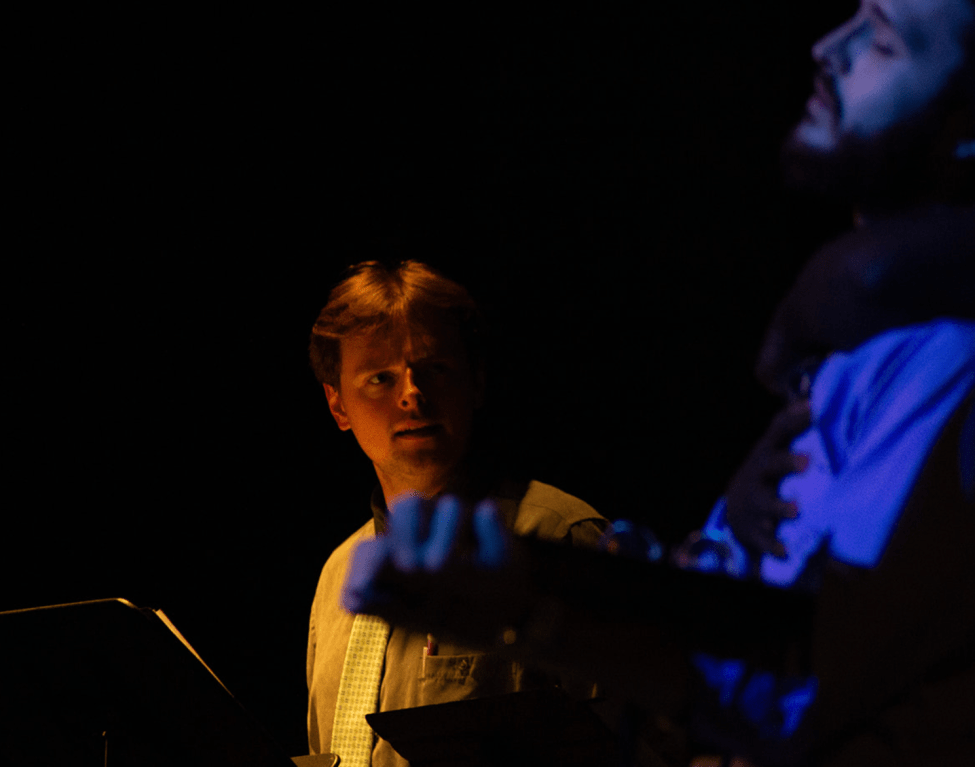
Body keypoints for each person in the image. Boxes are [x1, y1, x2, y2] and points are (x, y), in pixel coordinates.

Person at [342, 2, 975, 764]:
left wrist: (540, 598)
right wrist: (529, 595)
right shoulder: (859, 352)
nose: (826, 47)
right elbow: (756, 635)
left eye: (883, 41)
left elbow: (799, 680)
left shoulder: (947, 365)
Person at [304, 260, 608, 767]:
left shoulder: (556, 539)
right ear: (337, 406)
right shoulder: (338, 573)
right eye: (380, 378)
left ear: (477, 382)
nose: (412, 393)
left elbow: (632, 744)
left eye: (435, 369)